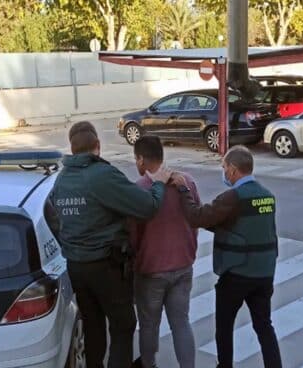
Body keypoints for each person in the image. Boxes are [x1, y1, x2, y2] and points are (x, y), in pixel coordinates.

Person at [47, 121, 171, 368]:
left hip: (76, 266)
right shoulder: (102, 175)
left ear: (72, 149)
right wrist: (158, 183)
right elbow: (147, 207)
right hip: (107, 266)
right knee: (123, 326)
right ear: (98, 146)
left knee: (93, 327)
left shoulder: (61, 180)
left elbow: (54, 220)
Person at [171, 145, 282, 368]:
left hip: (236, 274)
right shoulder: (267, 196)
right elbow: (240, 226)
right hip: (264, 274)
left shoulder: (233, 197)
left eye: (223, 167)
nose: (223, 172)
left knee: (224, 326)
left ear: (232, 170)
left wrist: (183, 190)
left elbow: (197, 217)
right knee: (264, 326)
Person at [130, 136, 200, 368]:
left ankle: (149, 364)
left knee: (149, 325)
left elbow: (133, 234)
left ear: (141, 159)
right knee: (181, 322)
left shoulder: (140, 189)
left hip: (151, 271)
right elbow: (195, 220)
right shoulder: (187, 181)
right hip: (182, 266)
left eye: (136, 159)